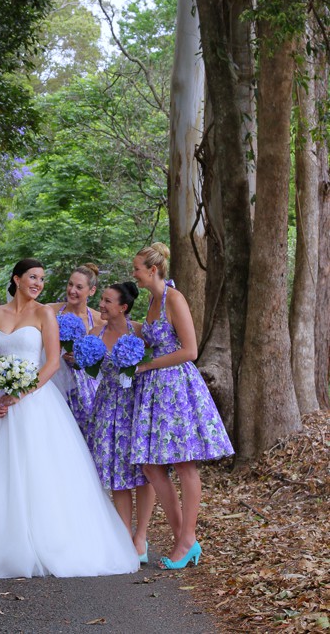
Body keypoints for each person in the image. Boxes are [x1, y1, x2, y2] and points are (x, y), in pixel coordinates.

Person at [0, 258, 140, 579]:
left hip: (36, 401)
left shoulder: (44, 314)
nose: (38, 283)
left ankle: (47, 540)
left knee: (40, 470)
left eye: (42, 279)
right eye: (33, 277)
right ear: (17, 279)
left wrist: (20, 393)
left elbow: (51, 363)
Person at [130, 242, 234, 569]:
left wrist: (147, 365)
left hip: (175, 387)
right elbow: (150, 340)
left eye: (136, 269)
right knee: (150, 465)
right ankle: (183, 537)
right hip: (153, 392)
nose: (133, 274)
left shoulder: (174, 299)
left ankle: (187, 538)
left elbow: (190, 351)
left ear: (153, 270)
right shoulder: (151, 300)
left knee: (185, 463)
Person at [88, 281, 156, 563]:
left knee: (143, 472)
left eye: (107, 301)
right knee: (117, 474)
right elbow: (89, 369)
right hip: (106, 406)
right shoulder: (95, 333)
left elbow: (155, 362)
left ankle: (141, 536)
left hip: (136, 405)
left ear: (123, 307)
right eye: (101, 300)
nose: (101, 305)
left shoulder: (139, 332)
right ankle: (123, 534)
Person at [49, 263, 102, 438]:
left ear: (91, 291)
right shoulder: (51, 311)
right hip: (56, 382)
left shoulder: (98, 319)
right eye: (70, 284)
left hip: (86, 388)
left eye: (79, 287)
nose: (72, 290)